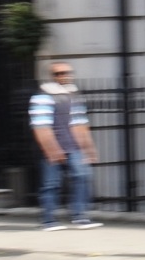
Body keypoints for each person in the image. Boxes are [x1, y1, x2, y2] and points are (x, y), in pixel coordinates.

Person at [30, 62, 102, 230]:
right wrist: (52, 149)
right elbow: (41, 126)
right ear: (53, 77)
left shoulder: (74, 95)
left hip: (74, 147)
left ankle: (80, 216)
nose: (64, 75)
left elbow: (81, 123)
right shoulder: (42, 96)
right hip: (53, 148)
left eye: (67, 72)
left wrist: (88, 147)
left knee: (82, 178)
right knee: (51, 184)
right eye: (59, 73)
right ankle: (48, 220)